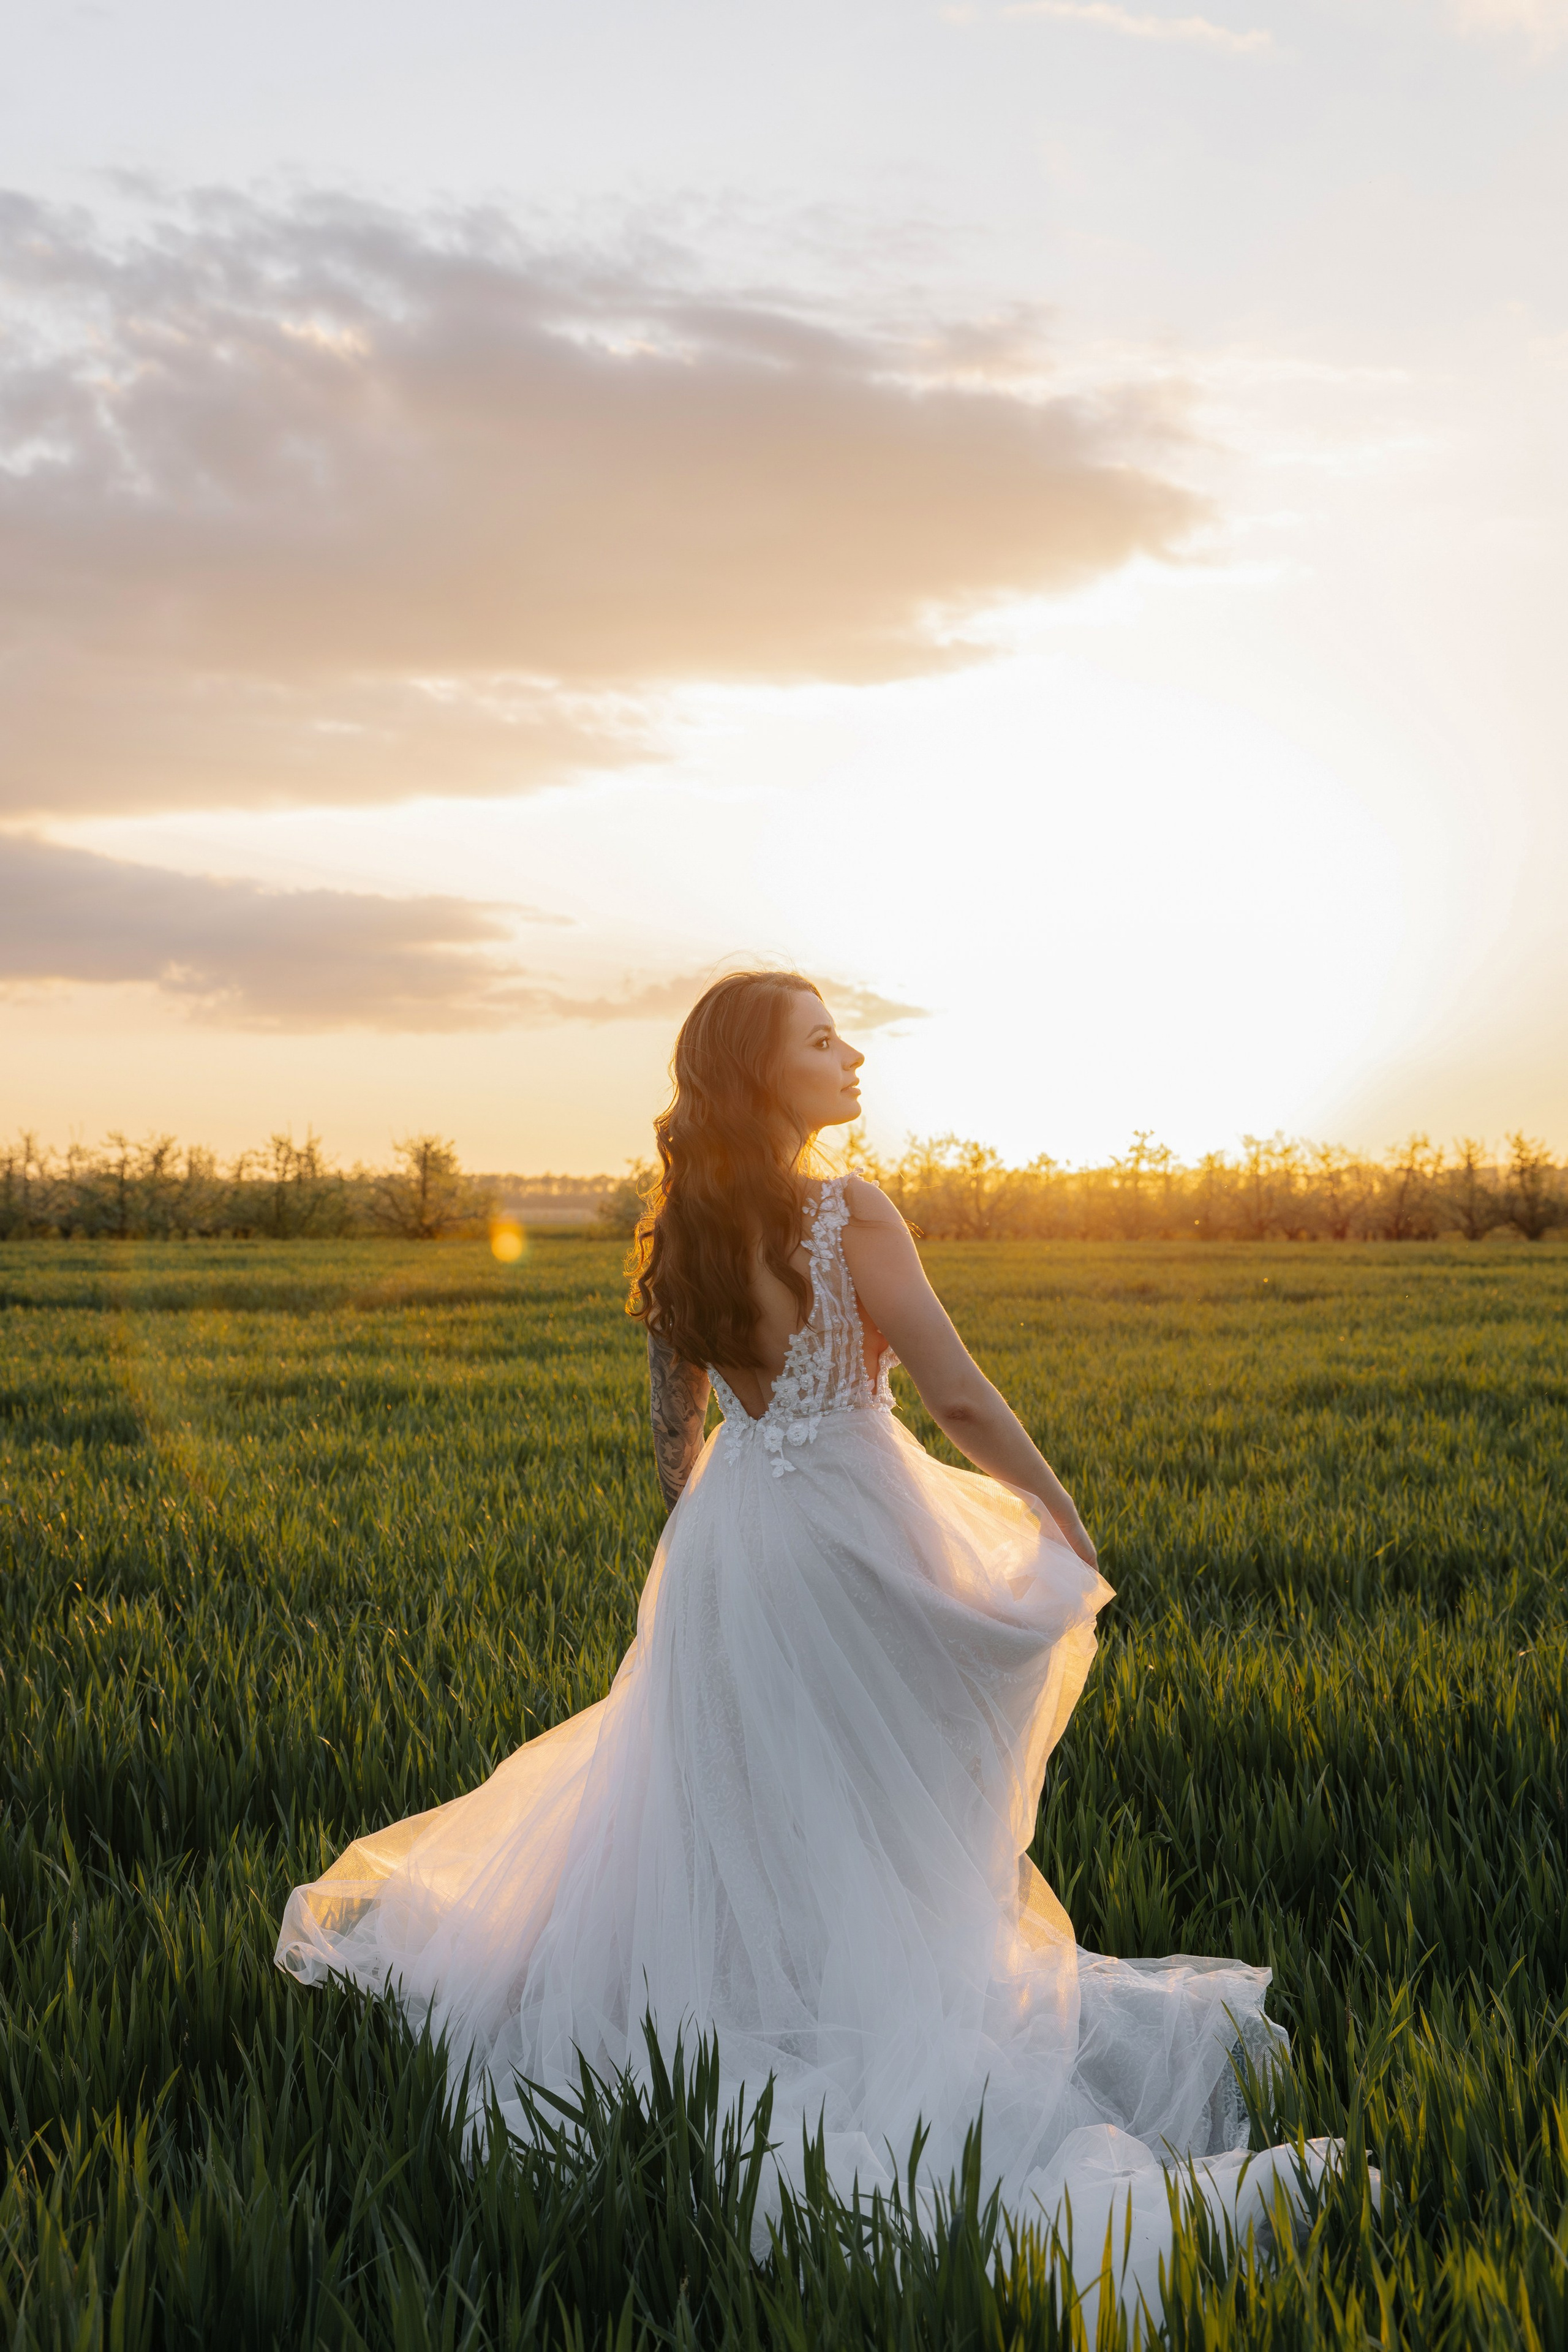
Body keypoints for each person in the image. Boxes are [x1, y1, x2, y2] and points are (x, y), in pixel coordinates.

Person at [276, 969, 1360, 2317]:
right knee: (875, 1794)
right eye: (821, 1040)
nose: (853, 1056)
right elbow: (955, 1395)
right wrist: (1060, 1519)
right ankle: (876, 2017)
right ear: (758, 1073)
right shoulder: (849, 1212)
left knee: (744, 1801)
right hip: (854, 1513)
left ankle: (754, 2006)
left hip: (735, 1535)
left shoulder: (674, 1222)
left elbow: (673, 1441)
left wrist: (730, 1538)